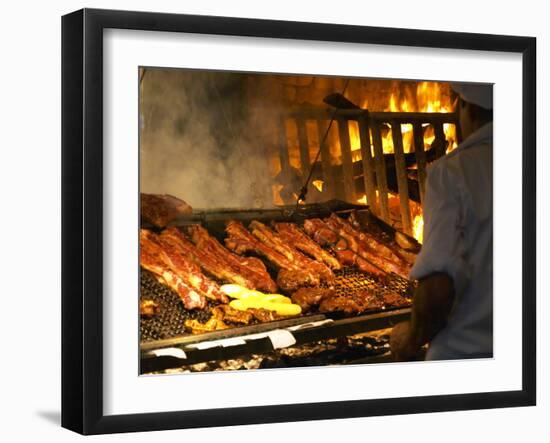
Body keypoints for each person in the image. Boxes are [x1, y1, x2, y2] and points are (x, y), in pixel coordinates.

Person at [390, 83, 493, 361]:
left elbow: (438, 285)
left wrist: (411, 337)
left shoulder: (452, 172)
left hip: (466, 355)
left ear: (466, 107)